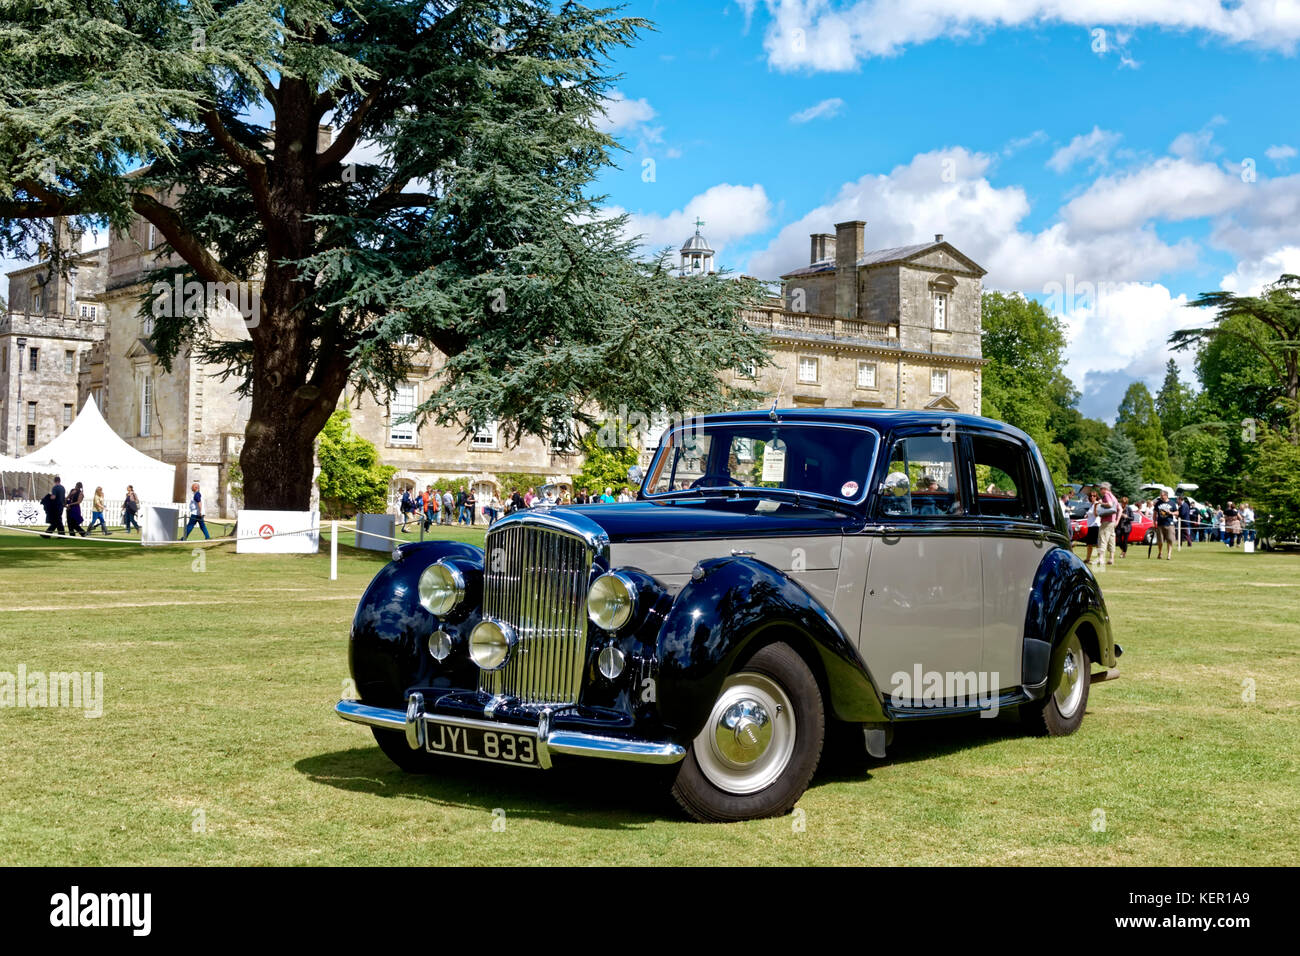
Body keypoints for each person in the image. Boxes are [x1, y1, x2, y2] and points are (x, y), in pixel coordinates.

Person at [1095, 481, 1119, 566]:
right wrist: (1117, 520)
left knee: (1102, 538)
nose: (1100, 490)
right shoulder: (1113, 496)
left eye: (1101, 489)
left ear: (1105, 489)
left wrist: (1101, 503)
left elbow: (1109, 504)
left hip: (1106, 520)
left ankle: (1101, 558)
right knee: (1111, 539)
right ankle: (1111, 558)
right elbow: (1118, 508)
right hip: (1112, 520)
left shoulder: (1107, 495)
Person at [1154, 489, 1176, 560]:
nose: (1161, 497)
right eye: (1161, 495)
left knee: (1170, 540)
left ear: (1166, 495)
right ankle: (1160, 552)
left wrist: (1171, 513)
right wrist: (1154, 522)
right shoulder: (1158, 503)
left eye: (1162, 495)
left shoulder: (1172, 503)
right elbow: (1155, 513)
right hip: (1160, 524)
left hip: (1169, 524)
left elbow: (1177, 512)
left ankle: (1169, 554)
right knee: (1160, 541)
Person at [1082, 491, 1101, 564]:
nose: (1092, 497)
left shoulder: (1097, 504)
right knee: (1089, 544)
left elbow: (1096, 515)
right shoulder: (1091, 504)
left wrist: (1096, 506)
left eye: (1094, 496)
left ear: (1096, 497)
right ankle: (1088, 559)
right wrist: (1087, 515)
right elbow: (1090, 514)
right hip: (1090, 526)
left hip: (1096, 526)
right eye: (1091, 496)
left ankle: (1100, 559)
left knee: (1097, 544)